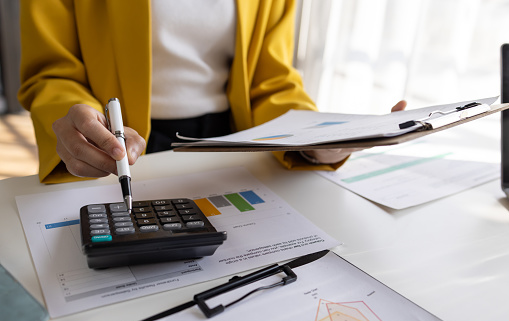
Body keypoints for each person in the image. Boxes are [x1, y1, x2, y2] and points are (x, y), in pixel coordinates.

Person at [18, 0, 406, 184]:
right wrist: (75, 116)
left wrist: (313, 137)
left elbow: (271, 79)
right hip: (115, 143)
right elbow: (52, 70)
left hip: (237, 144)